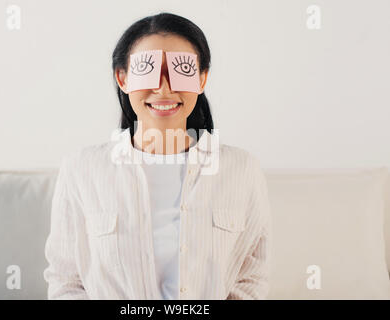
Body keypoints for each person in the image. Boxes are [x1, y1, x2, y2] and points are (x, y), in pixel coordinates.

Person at [44, 12, 272, 300]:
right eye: (147, 71)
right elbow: (66, 282)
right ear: (122, 78)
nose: (164, 88)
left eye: (181, 71)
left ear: (202, 79)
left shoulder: (242, 170)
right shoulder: (81, 170)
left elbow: (251, 277)